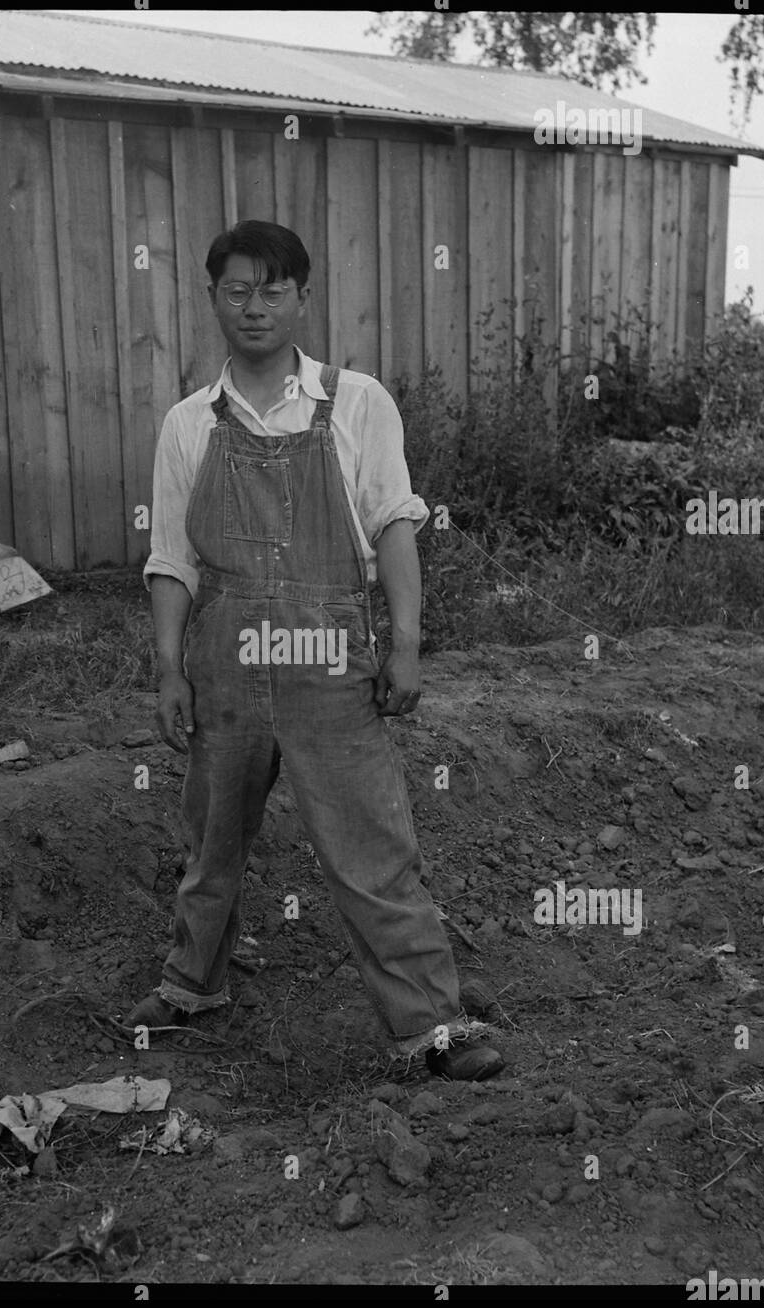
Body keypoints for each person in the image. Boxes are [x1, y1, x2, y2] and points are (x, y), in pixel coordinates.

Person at [127, 220, 504, 1081]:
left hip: (332, 667)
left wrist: (405, 645)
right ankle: (192, 986)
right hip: (225, 668)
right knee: (211, 841)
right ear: (212, 298)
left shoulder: (357, 402)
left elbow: (394, 525)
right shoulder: (189, 424)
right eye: (236, 290)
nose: (253, 306)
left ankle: (430, 1024)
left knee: (372, 848)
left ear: (301, 297)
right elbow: (172, 563)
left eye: (271, 290)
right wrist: (167, 670)